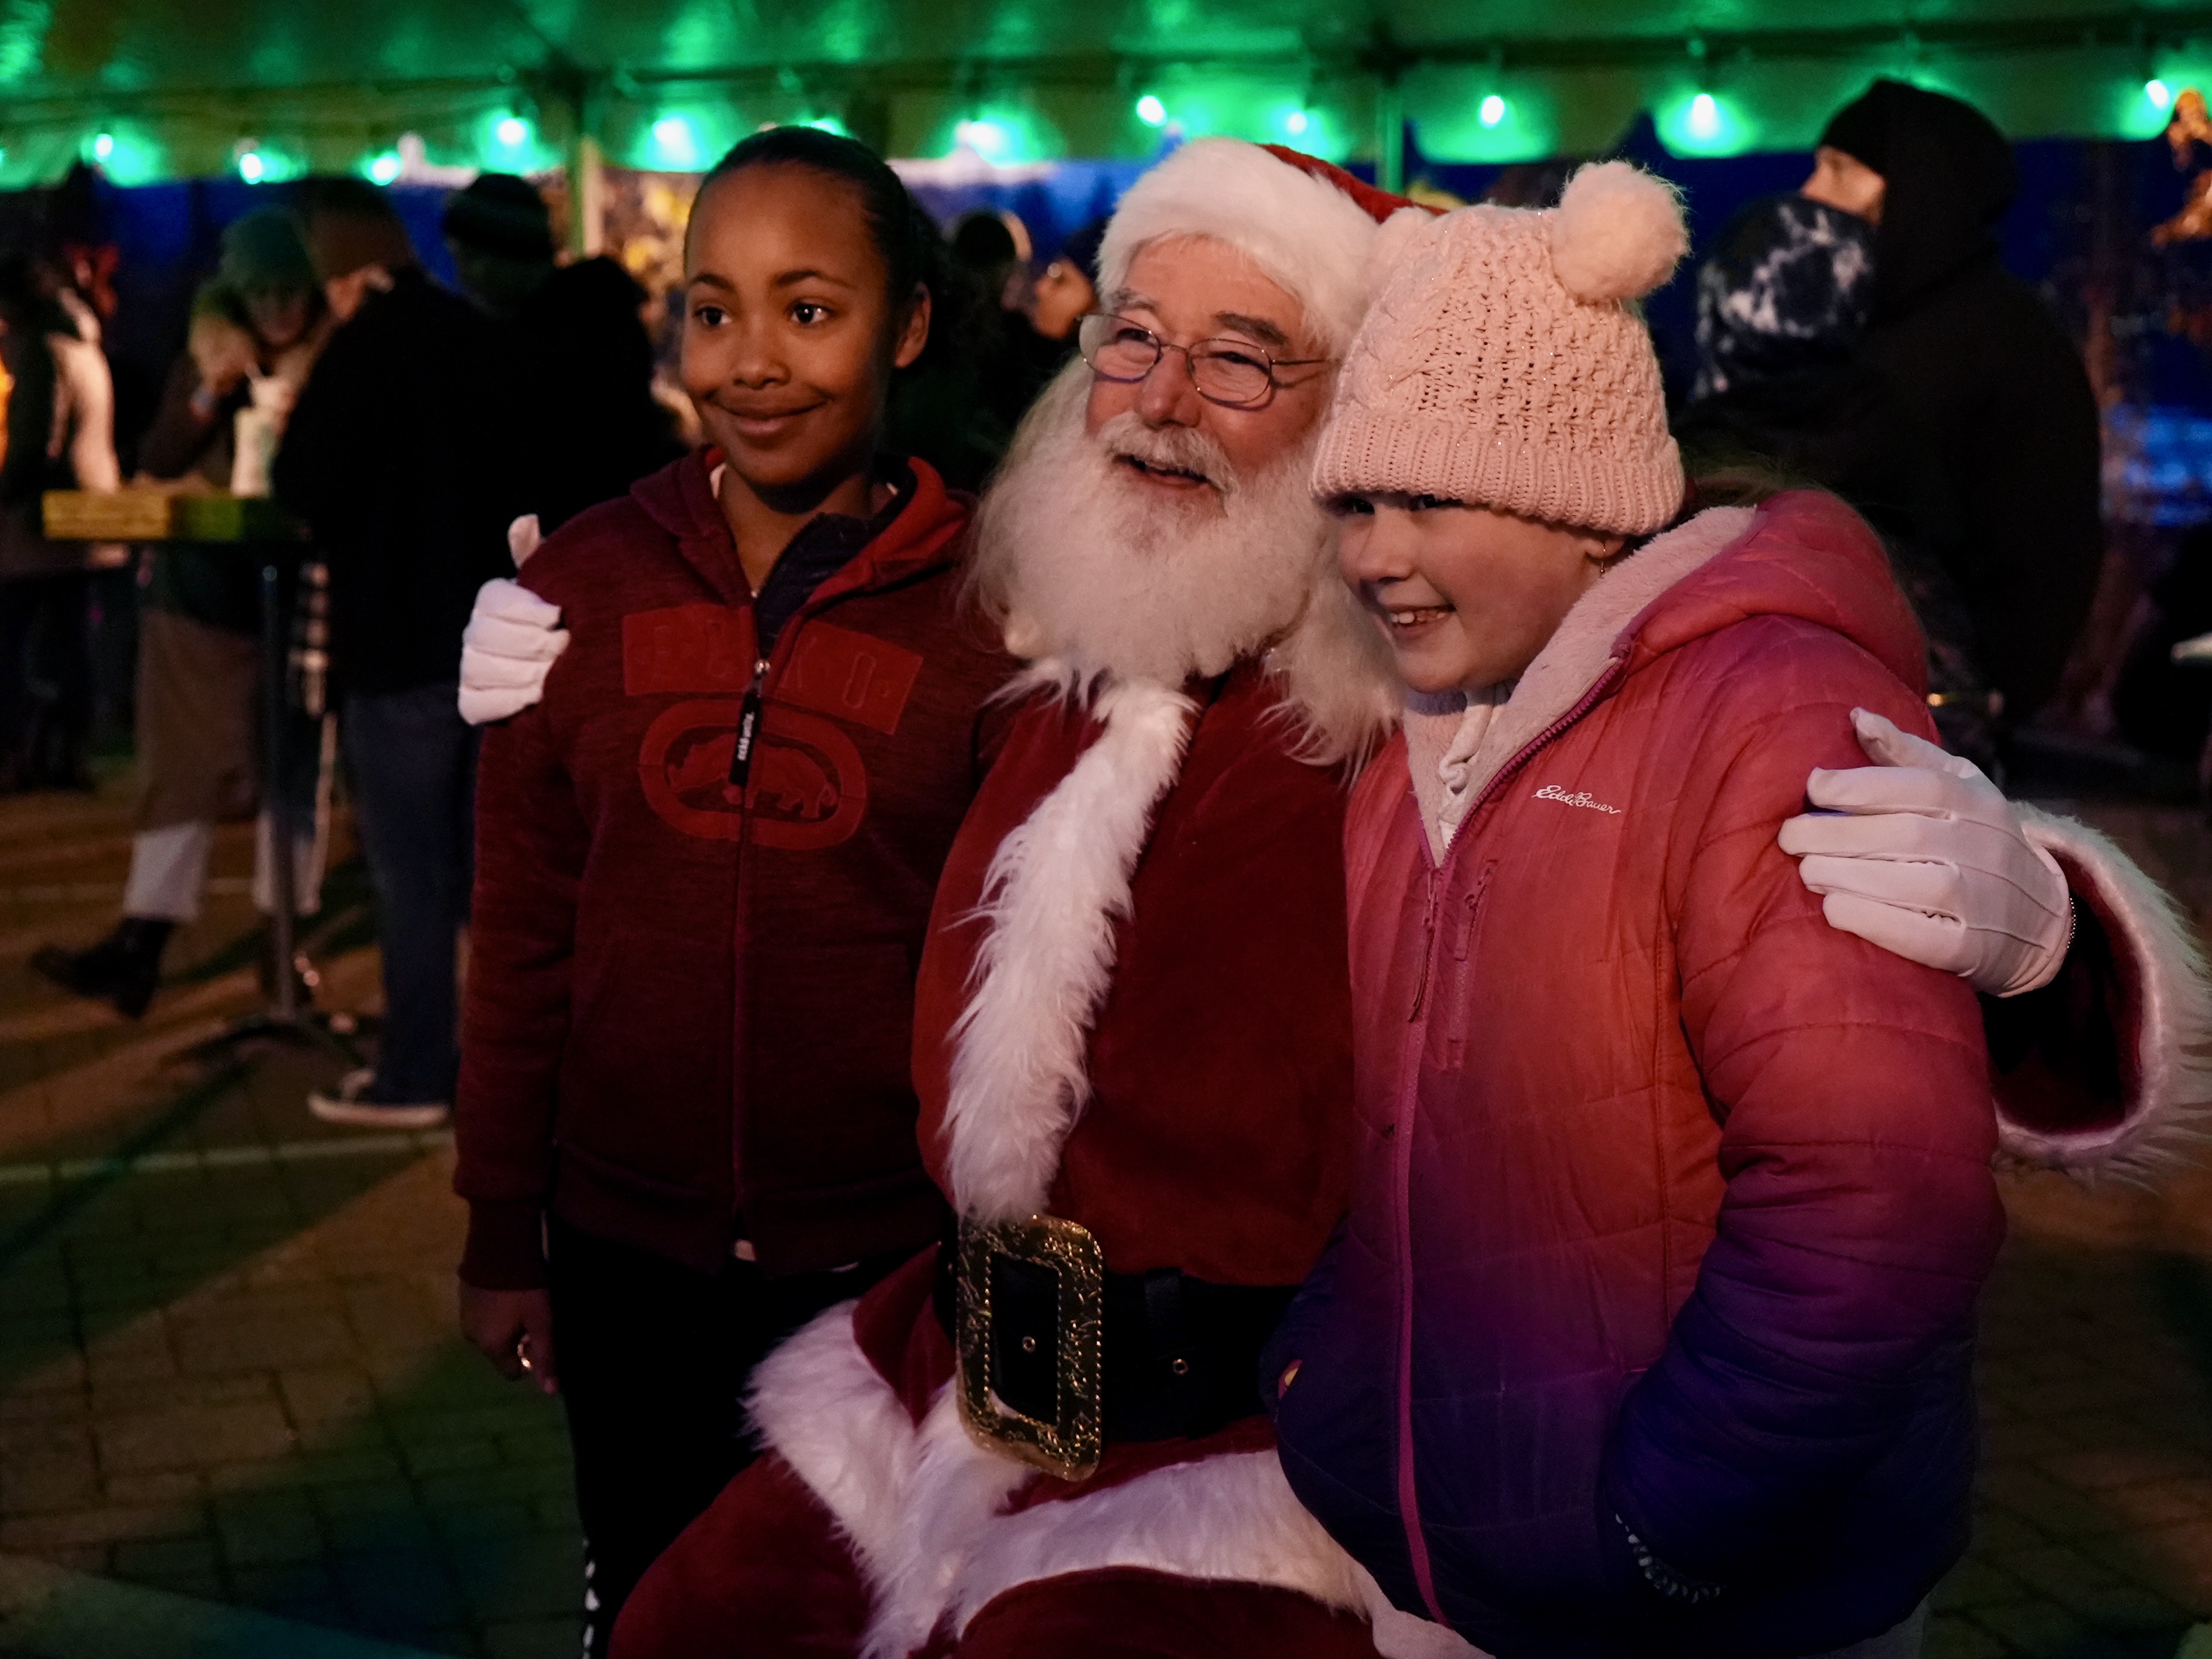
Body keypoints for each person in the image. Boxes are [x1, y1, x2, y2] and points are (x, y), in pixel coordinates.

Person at [604, 141, 2203, 1659]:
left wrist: (2040, 937)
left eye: (1240, 360)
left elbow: (1704, 774)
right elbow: (812, 663)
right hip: (943, 1390)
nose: (1157, 402)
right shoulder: (1065, 654)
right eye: (1132, 337)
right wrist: (587, 609)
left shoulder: (1432, 708)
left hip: (1251, 1472)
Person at [1270, 161, 2016, 1659]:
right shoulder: (1425, 729)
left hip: (1708, 1591)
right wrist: (1331, 1385)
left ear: (1583, 503)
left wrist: (1668, 1527)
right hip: (1466, 1550)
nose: (1369, 554)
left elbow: (1873, 1197)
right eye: (1354, 498)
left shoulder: (1771, 713)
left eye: (1427, 495)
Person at [450, 127, 1016, 1655]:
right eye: (714, 308)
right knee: (650, 1603)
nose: (753, 360)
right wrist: (505, 1226)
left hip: (888, 1275)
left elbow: (1037, 987)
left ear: (906, 324)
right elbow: (518, 937)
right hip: (622, 1259)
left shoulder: (1001, 615)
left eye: (809, 309)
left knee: (866, 1618)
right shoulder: (579, 582)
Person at [32, 207, 330, 1019]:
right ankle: (143, 944)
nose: (277, 308)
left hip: (305, 599)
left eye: (290, 289)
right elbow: (158, 458)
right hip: (201, 592)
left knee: (294, 773)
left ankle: (282, 950)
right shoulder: (208, 355)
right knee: (182, 773)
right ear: (233, 296)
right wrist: (209, 392)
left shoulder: (337, 362)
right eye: (260, 291)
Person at [273, 178, 513, 1127]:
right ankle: (501, 1073)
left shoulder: (365, 345)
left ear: (333, 247)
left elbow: (302, 479)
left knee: (411, 877)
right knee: (484, 879)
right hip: (489, 639)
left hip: (398, 641)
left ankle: (416, 1070)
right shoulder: (472, 333)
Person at [1803, 78, 2102, 727]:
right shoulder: (1862, 324)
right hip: (1856, 685)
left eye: (1838, 170)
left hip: (1946, 704)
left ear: (1914, 187)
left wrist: (2002, 687)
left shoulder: (2004, 338)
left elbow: (2048, 534)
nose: (1811, 191)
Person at [1674, 192, 1998, 769]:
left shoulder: (1683, 460)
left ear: (1721, 304)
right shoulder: (1900, 435)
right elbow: (1959, 579)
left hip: (1721, 757)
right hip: (1908, 762)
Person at [441, 173, 680, 535]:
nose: (463, 275)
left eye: (465, 256)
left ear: (492, 257)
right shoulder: (602, 321)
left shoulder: (538, 351)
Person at [0, 251, 121, 792]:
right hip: (89, 514)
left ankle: (17, 754)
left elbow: (34, 444)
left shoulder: (41, 349)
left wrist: (5, 496)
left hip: (43, 525)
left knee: (13, 644)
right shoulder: (84, 341)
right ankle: (66, 754)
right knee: (71, 644)